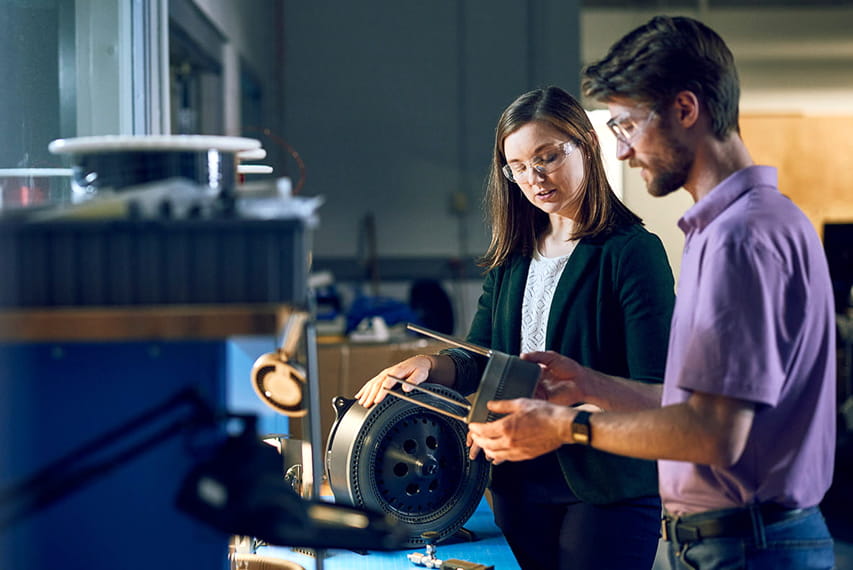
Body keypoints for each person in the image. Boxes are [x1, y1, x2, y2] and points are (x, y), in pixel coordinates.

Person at [467, 15, 837, 570]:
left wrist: (565, 425)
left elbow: (713, 433)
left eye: (627, 125)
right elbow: (694, 403)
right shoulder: (758, 221)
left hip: (750, 542)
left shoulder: (738, 239)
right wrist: (589, 384)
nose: (623, 151)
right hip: (747, 538)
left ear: (685, 110)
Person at [355, 86, 676, 569]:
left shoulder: (632, 253)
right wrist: (427, 365)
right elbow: (479, 360)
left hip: (604, 488)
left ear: (587, 142)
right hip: (516, 481)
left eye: (547, 157)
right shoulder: (515, 256)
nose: (534, 178)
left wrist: (566, 419)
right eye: (519, 167)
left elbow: (657, 390)